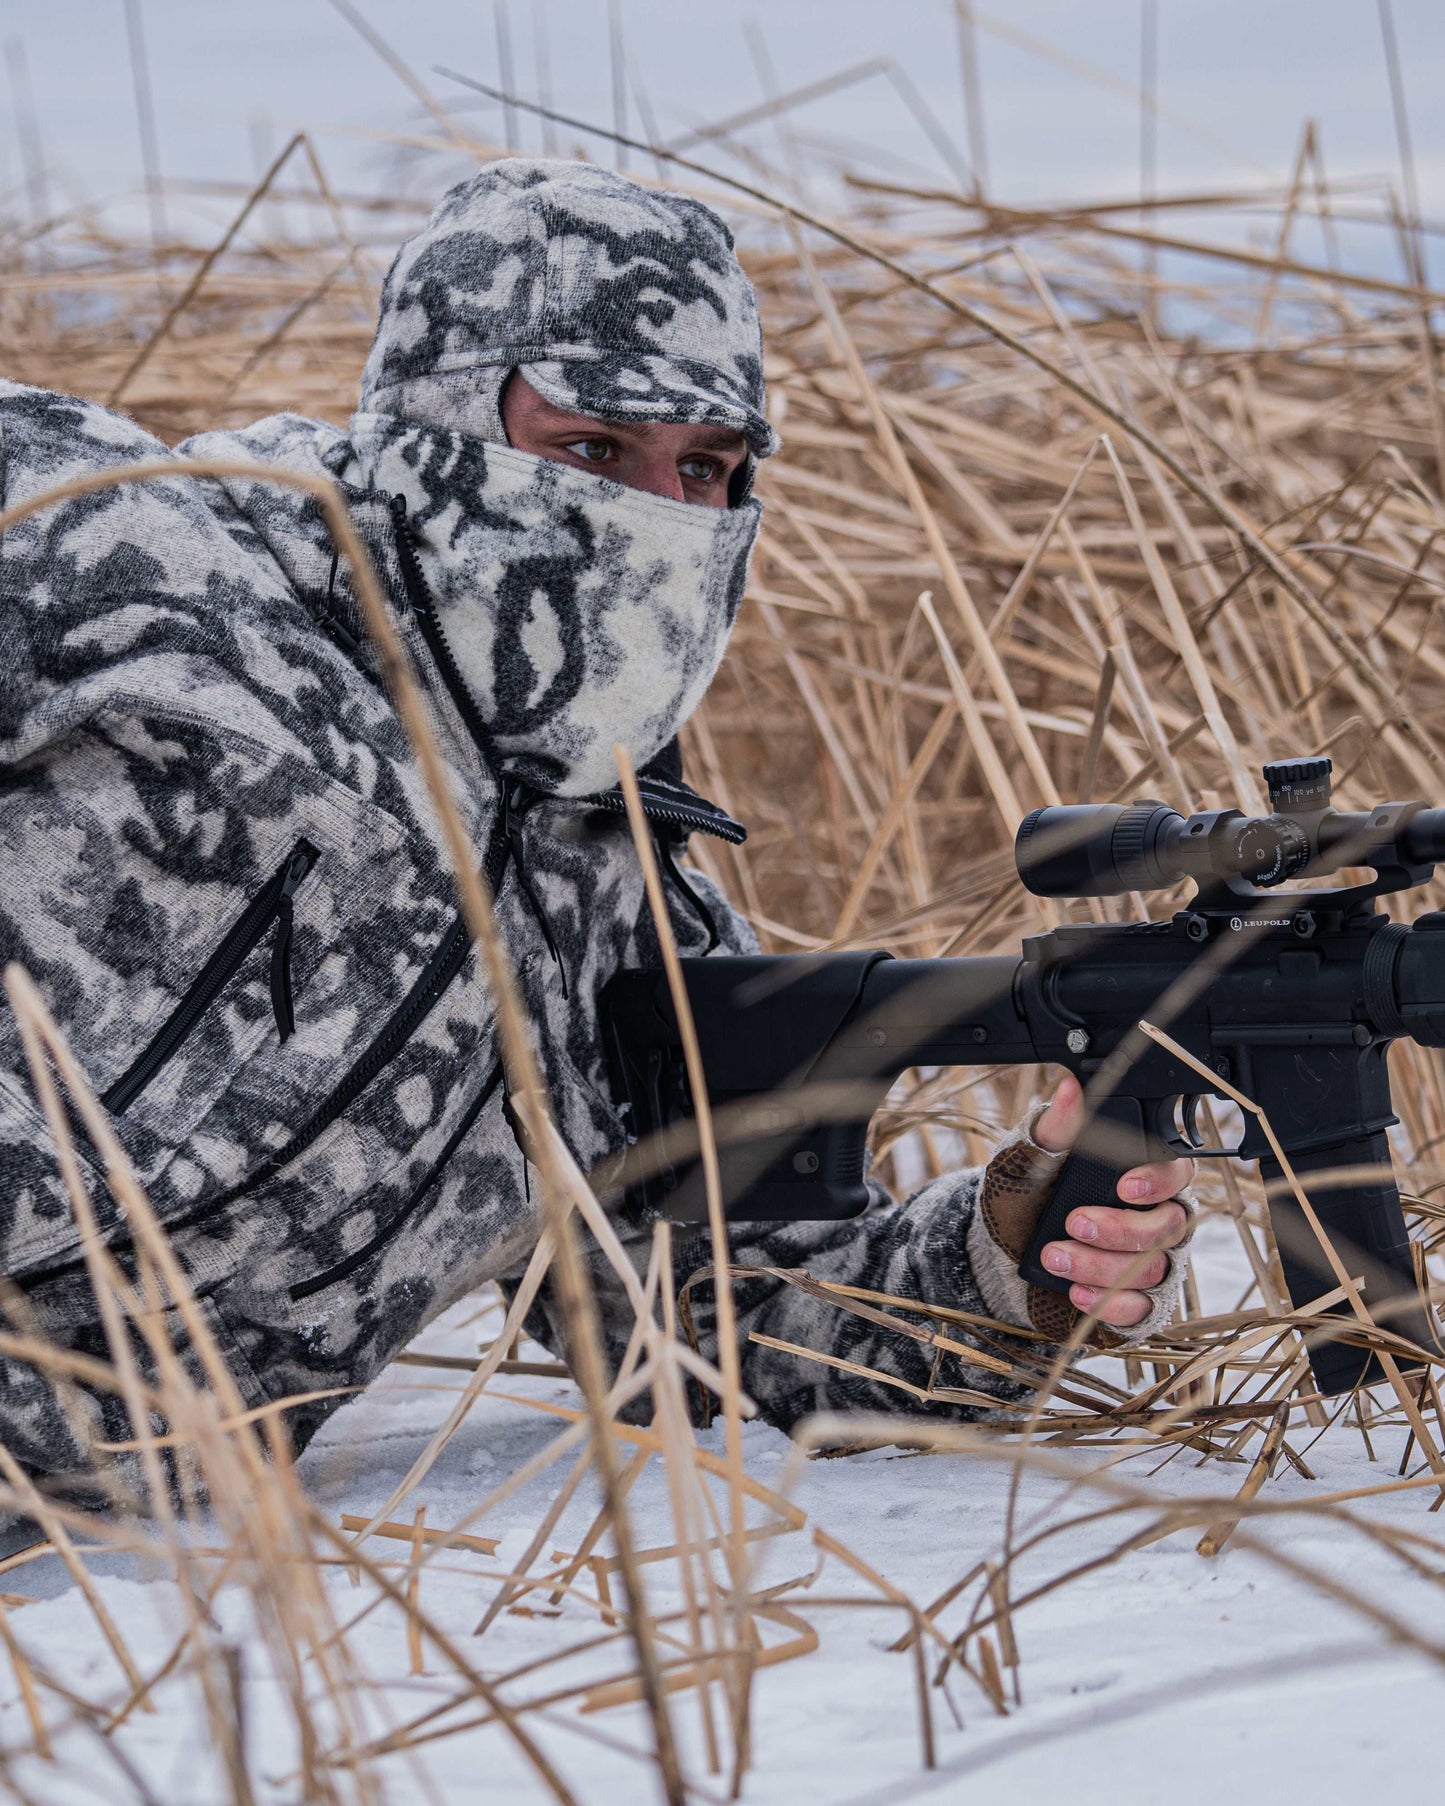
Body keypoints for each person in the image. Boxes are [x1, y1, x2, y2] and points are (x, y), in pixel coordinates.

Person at [0, 159, 1192, 1496]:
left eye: (707, 467)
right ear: (437, 419)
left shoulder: (623, 913)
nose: (658, 518)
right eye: (592, 448)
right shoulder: (141, 559)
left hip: (105, 1603)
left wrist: (1004, 1254)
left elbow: (744, 1323)